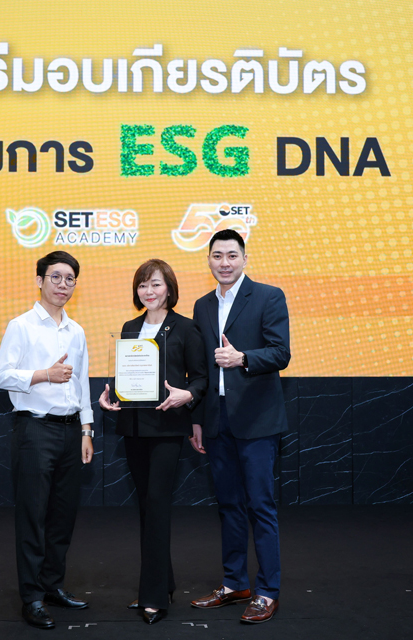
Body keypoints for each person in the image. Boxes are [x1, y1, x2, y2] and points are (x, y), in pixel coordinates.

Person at [188, 229, 291, 624]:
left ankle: (267, 592)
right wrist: (197, 419)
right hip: (216, 420)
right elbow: (199, 369)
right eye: (217, 256)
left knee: (260, 506)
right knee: (228, 505)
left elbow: (281, 352)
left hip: (257, 420)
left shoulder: (268, 296)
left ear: (245, 259)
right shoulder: (201, 306)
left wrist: (242, 358)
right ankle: (234, 584)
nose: (225, 263)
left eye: (232, 255)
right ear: (209, 260)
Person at [99, 259, 207, 625]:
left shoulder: (186, 328)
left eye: (156, 284)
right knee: (147, 507)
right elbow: (127, 376)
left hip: (167, 428)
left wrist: (187, 395)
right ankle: (164, 583)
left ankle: (154, 597)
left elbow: (201, 378)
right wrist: (111, 395)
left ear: (170, 288)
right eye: (143, 285)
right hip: (133, 428)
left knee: (158, 505)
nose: (149, 291)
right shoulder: (130, 328)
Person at [0, 250, 95, 630]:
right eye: (56, 277)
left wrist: (87, 430)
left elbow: (83, 383)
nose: (63, 285)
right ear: (39, 281)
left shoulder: (77, 331)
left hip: (71, 432)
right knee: (33, 516)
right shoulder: (20, 326)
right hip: (35, 430)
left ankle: (53, 586)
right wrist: (42, 375)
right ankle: (32, 597)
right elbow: (0, 376)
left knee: (62, 517)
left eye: (70, 279)